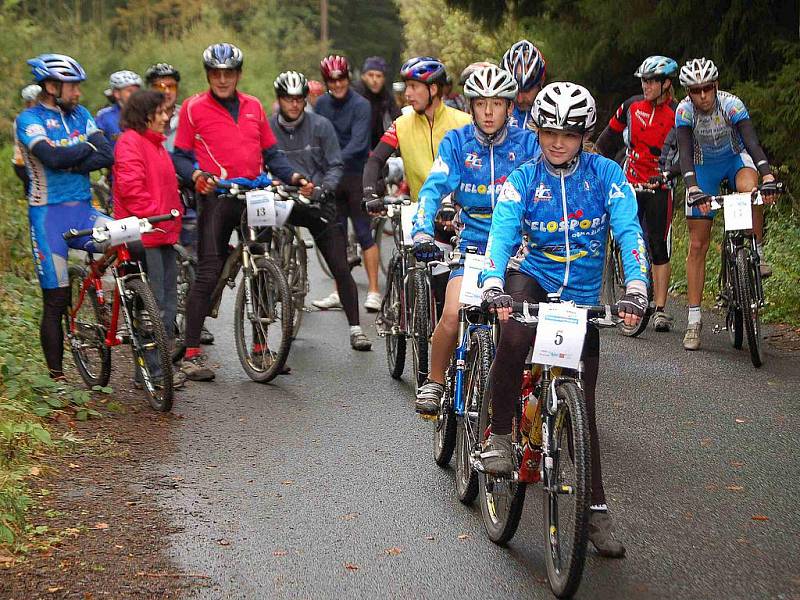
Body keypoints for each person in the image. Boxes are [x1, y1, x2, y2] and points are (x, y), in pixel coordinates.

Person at [479, 82, 649, 558]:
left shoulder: (607, 176)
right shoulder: (523, 179)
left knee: (584, 406)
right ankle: (500, 435)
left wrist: (637, 287)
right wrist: (493, 280)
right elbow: (502, 235)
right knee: (513, 333)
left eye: (570, 134)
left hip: (581, 295)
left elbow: (629, 233)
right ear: (537, 130)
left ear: (585, 135)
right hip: (530, 276)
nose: (558, 142)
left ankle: (595, 510)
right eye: (549, 131)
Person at [172, 43, 307, 381]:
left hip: (255, 195)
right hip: (217, 196)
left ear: (238, 75)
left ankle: (261, 349)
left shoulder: (253, 106)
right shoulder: (193, 108)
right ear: (208, 76)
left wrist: (292, 175)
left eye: (228, 73)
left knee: (262, 265)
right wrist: (196, 176)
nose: (222, 79)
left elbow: (271, 152)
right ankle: (191, 353)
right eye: (216, 74)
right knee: (208, 270)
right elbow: (180, 156)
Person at [408, 66, 539, 414]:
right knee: (452, 313)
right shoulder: (457, 142)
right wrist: (422, 230)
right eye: (482, 104)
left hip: (517, 251)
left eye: (498, 103)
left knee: (518, 323)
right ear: (471, 107)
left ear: (510, 107)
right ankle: (435, 382)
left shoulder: (528, 144)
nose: (490, 112)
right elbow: (433, 188)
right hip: (472, 249)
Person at [15, 54, 114, 380]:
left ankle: (141, 320)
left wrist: (74, 156)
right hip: (48, 219)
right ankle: (58, 380)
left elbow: (107, 153)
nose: (79, 93)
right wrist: (84, 151)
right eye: (74, 86)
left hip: (84, 212)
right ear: (52, 85)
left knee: (132, 242)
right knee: (56, 301)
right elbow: (51, 157)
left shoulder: (82, 114)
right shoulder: (29, 120)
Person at [363, 56, 472, 344]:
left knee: (451, 281)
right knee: (430, 273)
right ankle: (413, 315)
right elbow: (375, 160)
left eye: (413, 87)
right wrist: (370, 194)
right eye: (407, 87)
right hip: (419, 211)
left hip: (457, 213)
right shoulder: (401, 123)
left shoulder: (463, 123)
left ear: (433, 89)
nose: (407, 94)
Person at [675, 58, 779, 351]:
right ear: (688, 93)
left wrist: (768, 175)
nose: (703, 95)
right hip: (703, 167)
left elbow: (752, 143)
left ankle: (754, 250)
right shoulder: (684, 112)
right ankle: (694, 320)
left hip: (734, 160)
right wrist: (693, 188)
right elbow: (684, 155)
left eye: (707, 88)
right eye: (696, 91)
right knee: (698, 244)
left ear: (716, 86)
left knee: (751, 188)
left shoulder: (732, 105)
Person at [269, 71, 372, 350]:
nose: (293, 105)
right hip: (281, 199)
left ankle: (355, 329)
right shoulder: (267, 128)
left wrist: (322, 188)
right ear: (279, 100)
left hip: (316, 200)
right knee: (260, 254)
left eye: (299, 99)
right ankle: (260, 334)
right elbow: (259, 161)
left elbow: (336, 164)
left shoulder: (321, 125)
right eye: (288, 99)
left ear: (305, 100)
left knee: (339, 264)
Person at [596, 55, 679, 332]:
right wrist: (595, 165)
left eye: (651, 81)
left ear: (666, 83)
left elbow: (687, 154)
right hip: (631, 181)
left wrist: (671, 174)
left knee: (657, 245)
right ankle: (628, 282)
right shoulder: (632, 106)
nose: (646, 86)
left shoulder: (678, 114)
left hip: (660, 186)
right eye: (643, 80)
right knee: (628, 234)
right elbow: (608, 138)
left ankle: (661, 309)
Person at [113, 90, 186, 387]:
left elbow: (164, 186)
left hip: (163, 233)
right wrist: (157, 215)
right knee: (154, 307)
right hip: (146, 235)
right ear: (146, 115)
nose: (167, 117)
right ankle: (152, 372)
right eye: (161, 112)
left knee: (168, 304)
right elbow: (132, 189)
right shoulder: (131, 143)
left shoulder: (155, 145)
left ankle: (152, 370)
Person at [145, 61, 214, 346]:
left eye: (170, 86)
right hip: (160, 200)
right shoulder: (145, 117)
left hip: (191, 192)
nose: (166, 91)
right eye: (159, 86)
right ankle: (161, 326)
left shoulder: (188, 113)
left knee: (196, 260)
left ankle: (196, 320)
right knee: (162, 271)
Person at [312, 55, 381, 312]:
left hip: (355, 175)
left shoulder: (361, 105)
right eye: (332, 80)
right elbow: (316, 136)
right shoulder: (321, 105)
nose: (337, 84)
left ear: (348, 78)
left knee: (364, 234)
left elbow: (360, 143)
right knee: (336, 235)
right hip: (332, 177)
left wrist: (332, 159)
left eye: (341, 79)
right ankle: (339, 290)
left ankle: (373, 290)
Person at [353, 56, 401, 149]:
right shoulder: (355, 95)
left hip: (377, 147)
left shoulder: (386, 96)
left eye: (379, 76)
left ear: (384, 79)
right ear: (363, 76)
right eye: (370, 75)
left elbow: (398, 119)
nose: (374, 80)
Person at [500, 40, 546, 129]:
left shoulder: (551, 113)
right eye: (514, 90)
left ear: (541, 82)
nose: (520, 99)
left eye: (526, 90)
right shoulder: (498, 112)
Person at [96, 70, 143, 148]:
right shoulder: (104, 117)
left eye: (137, 91)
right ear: (117, 93)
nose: (135, 95)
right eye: (130, 91)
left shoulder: (146, 114)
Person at [12, 84, 41, 195]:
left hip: (26, 164)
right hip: (25, 165)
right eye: (38, 100)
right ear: (30, 102)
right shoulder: (25, 119)